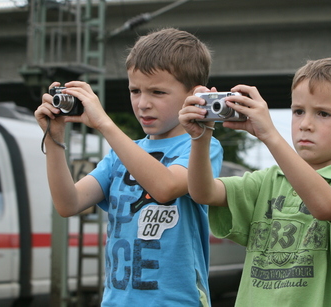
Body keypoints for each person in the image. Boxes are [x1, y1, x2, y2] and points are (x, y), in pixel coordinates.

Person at [35, 28, 223, 306]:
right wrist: (54, 140)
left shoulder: (200, 146)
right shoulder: (118, 155)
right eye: (135, 90)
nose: (143, 104)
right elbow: (68, 203)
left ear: (194, 95)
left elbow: (166, 187)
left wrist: (103, 122)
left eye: (157, 92)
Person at [179, 56, 331, 306]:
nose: (305, 124)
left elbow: (325, 206)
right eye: (298, 111)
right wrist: (200, 137)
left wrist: (270, 136)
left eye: (323, 114)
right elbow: (203, 193)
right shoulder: (268, 180)